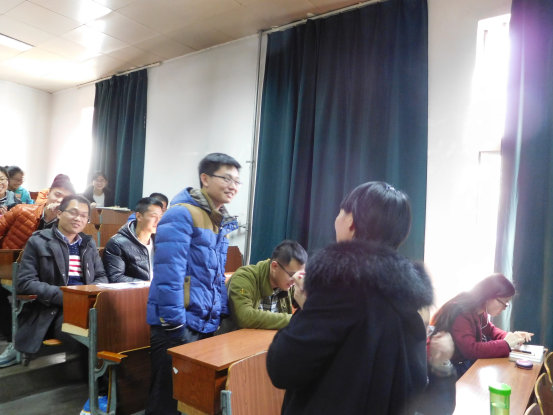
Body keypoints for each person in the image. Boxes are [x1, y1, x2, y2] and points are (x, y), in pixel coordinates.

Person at [266, 182, 434, 415]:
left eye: (340, 212)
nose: (336, 220)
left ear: (351, 221)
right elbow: (415, 382)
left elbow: (282, 367)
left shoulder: (339, 286)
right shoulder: (408, 296)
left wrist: (307, 308)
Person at [145, 153, 241, 415]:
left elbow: (216, 275)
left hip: (203, 322)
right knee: (166, 400)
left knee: (191, 398)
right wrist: (175, 323)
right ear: (205, 178)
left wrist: (220, 313)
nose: (233, 186)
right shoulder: (181, 214)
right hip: (178, 324)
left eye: (237, 181)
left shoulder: (217, 219)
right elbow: (168, 273)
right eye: (227, 178)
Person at [15, 194, 108, 355]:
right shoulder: (39, 241)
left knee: (117, 328)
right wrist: (66, 296)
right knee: (89, 336)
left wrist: (86, 296)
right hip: (53, 309)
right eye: (73, 213)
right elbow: (25, 282)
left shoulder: (88, 243)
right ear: (59, 213)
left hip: (87, 305)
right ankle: (94, 372)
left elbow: (102, 276)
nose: (78, 219)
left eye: (84, 216)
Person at [0, 175, 75, 368]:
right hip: (8, 267)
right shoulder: (21, 210)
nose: (59, 201)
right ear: (48, 194)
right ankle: (14, 341)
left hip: (42, 274)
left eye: (65, 199)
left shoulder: (66, 224)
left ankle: (23, 341)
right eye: (57, 195)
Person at [431, 273, 533, 376]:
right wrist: (506, 343)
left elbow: (491, 330)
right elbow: (471, 350)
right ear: (489, 296)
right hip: (444, 369)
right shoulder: (461, 312)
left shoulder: (479, 311)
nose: (504, 308)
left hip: (460, 363)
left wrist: (511, 337)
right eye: (504, 302)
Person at [226, 240, 306, 331]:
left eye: (298, 276)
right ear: (275, 267)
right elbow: (244, 317)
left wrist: (306, 295)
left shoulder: (289, 283)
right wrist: (296, 320)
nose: (295, 280)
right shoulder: (244, 278)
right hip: (236, 338)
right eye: (292, 275)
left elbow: (311, 312)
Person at [103, 197, 163, 283]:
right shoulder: (117, 243)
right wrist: (147, 284)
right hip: (136, 291)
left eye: (160, 217)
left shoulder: (160, 241)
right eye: (153, 216)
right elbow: (116, 278)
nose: (158, 221)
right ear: (138, 216)